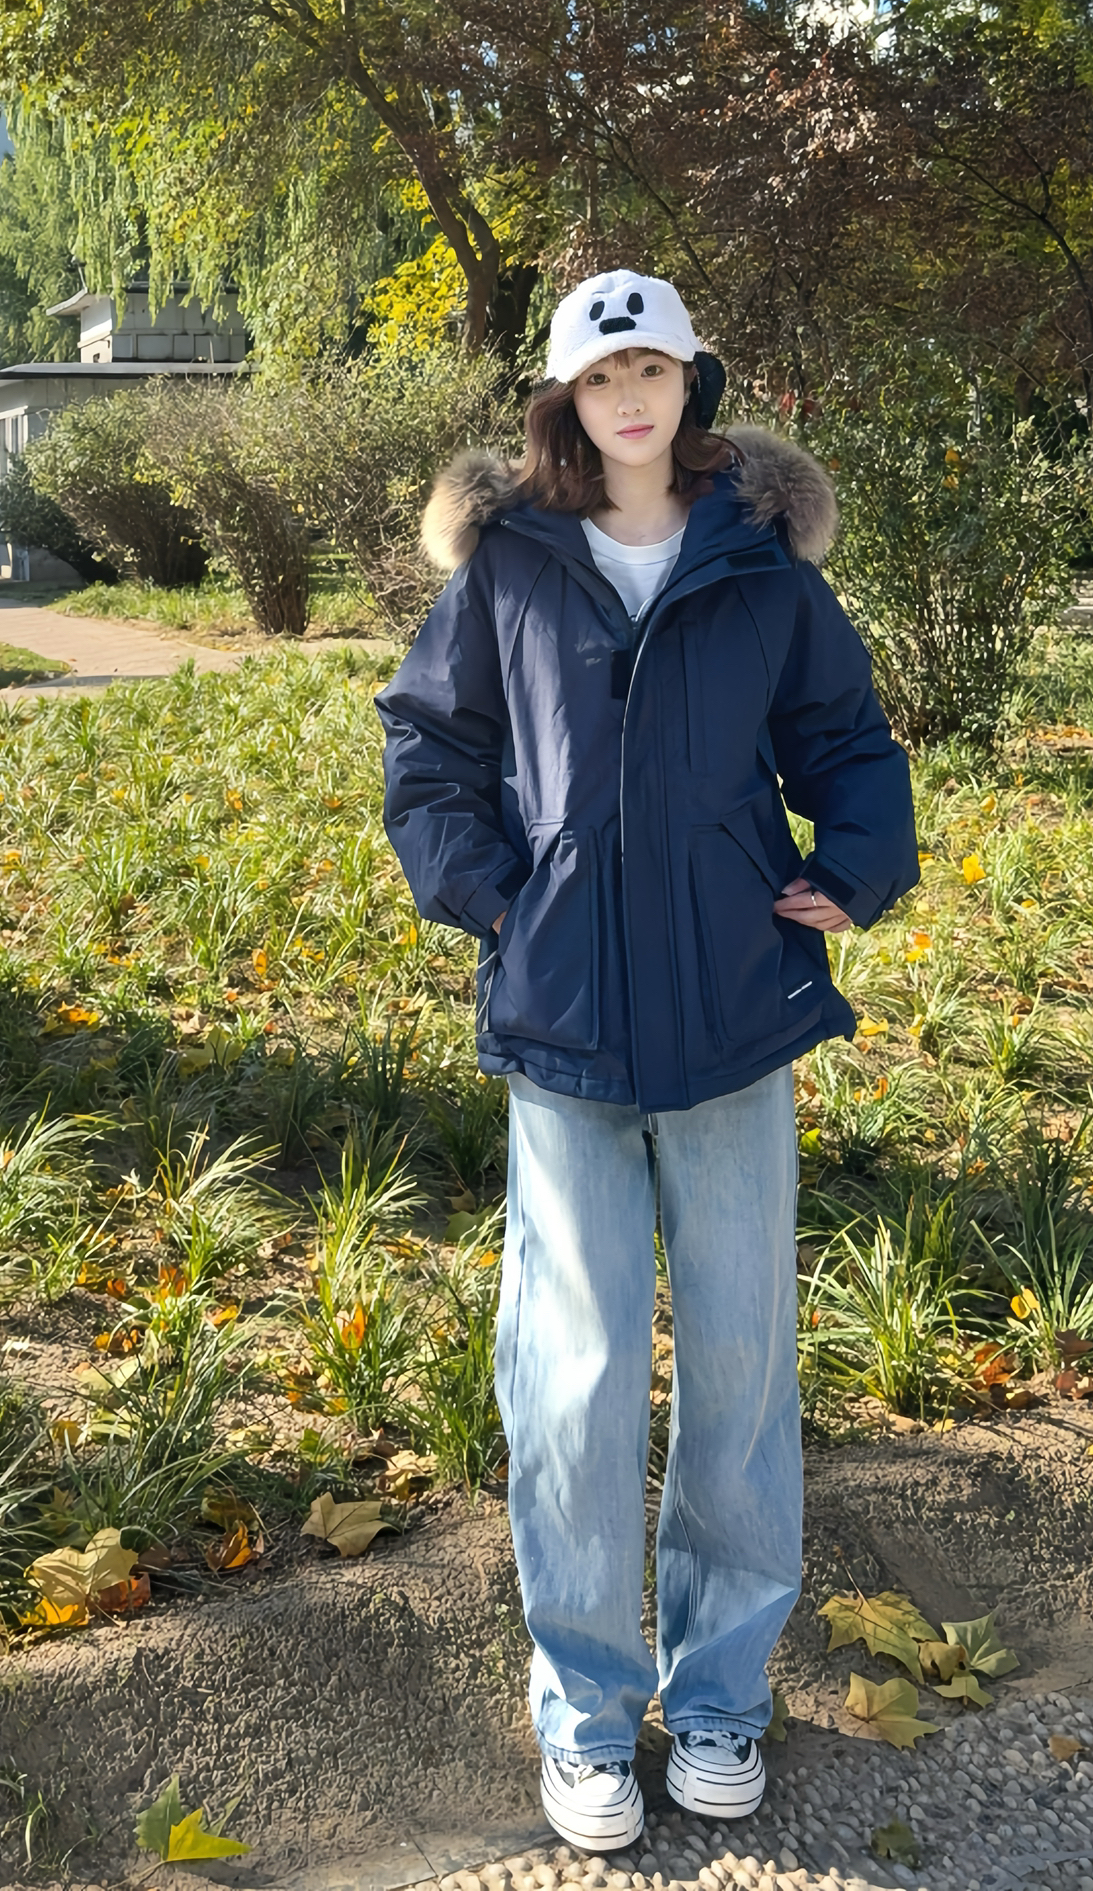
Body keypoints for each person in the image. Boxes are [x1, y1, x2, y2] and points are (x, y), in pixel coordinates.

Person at [375, 269, 918, 1856]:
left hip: (736, 1017)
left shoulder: (755, 562)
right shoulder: (511, 565)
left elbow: (845, 736)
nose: (628, 397)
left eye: (654, 369)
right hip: (566, 1029)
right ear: (562, 398)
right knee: (575, 1377)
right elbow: (430, 742)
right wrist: (493, 892)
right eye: (600, 375)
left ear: (691, 384)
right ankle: (588, 1713)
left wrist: (856, 859)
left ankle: (723, 1694)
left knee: (739, 1370)